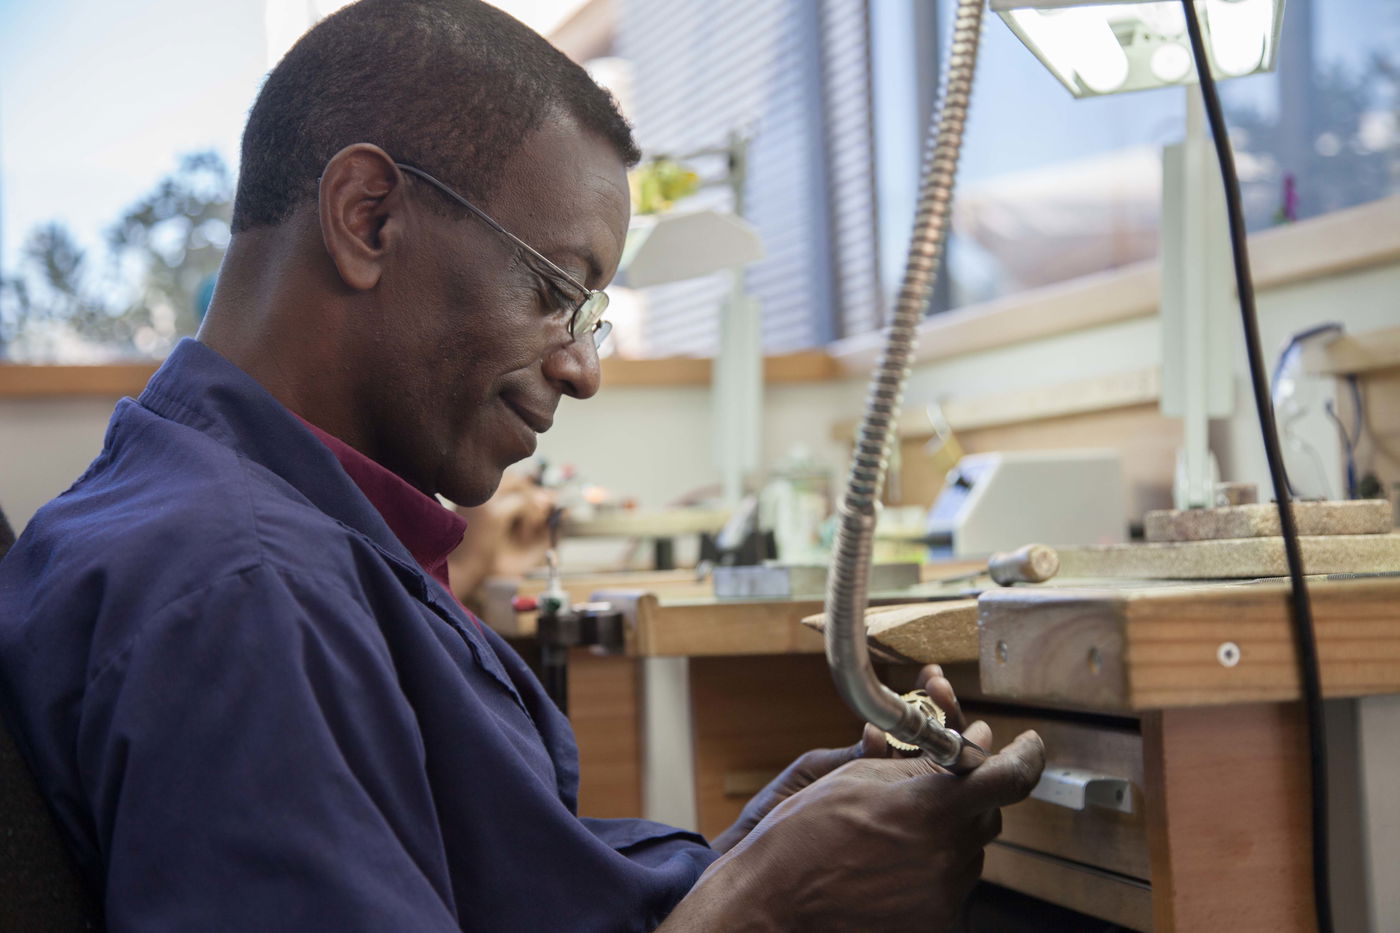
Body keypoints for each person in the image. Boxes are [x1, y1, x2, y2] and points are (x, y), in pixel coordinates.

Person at [0, 1, 1044, 930]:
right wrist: (763, 900)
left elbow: (503, 878)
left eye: (589, 315)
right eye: (555, 288)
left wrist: (766, 838)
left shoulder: (282, 528)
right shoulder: (240, 594)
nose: (581, 368)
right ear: (367, 217)